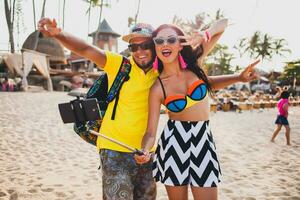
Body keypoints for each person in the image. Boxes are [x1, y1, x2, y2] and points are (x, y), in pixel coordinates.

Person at [38, 17, 256, 199]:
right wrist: (59, 34)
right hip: (116, 148)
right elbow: (87, 49)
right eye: (134, 46)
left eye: (146, 45)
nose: (140, 51)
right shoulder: (124, 66)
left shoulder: (165, 72)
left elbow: (207, 70)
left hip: (149, 155)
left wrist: (205, 38)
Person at [134, 24, 259, 200]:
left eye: (171, 40)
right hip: (174, 144)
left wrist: (204, 35)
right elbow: (150, 133)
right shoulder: (157, 87)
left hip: (203, 140)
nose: (165, 44)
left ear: (180, 45)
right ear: (155, 46)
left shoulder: (194, 63)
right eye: (159, 41)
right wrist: (145, 150)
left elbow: (222, 25)